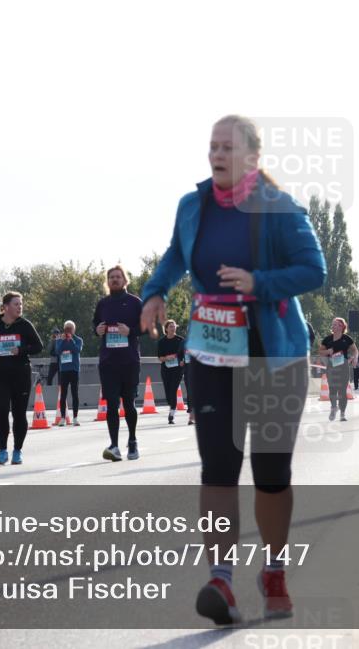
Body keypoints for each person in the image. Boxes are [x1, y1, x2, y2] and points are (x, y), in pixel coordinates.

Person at [139, 114, 326, 625]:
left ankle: (274, 571)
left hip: (273, 354)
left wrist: (258, 282)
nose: (216, 155)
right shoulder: (193, 205)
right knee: (218, 466)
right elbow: (175, 255)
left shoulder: (279, 209)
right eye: (212, 146)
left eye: (227, 147)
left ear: (252, 157)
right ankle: (220, 579)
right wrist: (155, 292)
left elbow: (314, 269)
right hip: (212, 350)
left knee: (270, 472)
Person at [0, 292, 43, 465]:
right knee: (1, 411)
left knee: (19, 413)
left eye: (21, 304)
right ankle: (2, 451)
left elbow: (38, 346)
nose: (20, 307)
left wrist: (21, 350)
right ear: (6, 307)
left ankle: (17, 450)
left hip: (20, 375)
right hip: (0, 375)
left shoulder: (25, 325)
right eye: (16, 304)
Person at [94, 265, 144, 462]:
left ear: (125, 280)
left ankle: (132, 441)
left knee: (129, 403)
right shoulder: (103, 304)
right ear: (107, 282)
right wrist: (97, 330)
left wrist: (131, 331)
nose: (114, 280)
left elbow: (146, 326)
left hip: (129, 361)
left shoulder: (135, 302)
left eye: (118, 277)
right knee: (111, 404)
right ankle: (114, 445)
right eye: (111, 277)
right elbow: (95, 324)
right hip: (108, 362)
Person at [318, 317, 358, 421]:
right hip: (331, 367)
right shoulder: (327, 339)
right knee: (332, 389)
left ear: (341, 326)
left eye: (335, 324)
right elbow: (320, 351)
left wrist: (355, 358)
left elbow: (355, 350)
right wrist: (327, 352)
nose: (333, 326)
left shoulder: (347, 338)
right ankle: (333, 407)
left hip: (343, 367)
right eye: (332, 324)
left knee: (342, 391)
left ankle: (342, 414)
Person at [156, 319, 186, 425]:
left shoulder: (180, 340)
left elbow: (185, 354)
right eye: (171, 327)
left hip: (178, 369)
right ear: (166, 329)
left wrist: (182, 361)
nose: (173, 328)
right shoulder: (161, 342)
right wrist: (167, 358)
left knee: (173, 389)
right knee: (168, 392)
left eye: (174, 326)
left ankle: (172, 413)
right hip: (166, 368)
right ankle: (171, 405)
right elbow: (160, 357)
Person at [54, 321, 83, 425]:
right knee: (63, 394)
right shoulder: (60, 340)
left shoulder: (78, 340)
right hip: (64, 370)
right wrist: (62, 341)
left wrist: (71, 340)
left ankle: (75, 417)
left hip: (74, 369)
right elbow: (58, 351)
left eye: (70, 328)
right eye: (67, 328)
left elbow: (77, 350)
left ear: (74, 329)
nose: (68, 330)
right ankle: (62, 418)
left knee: (75, 393)